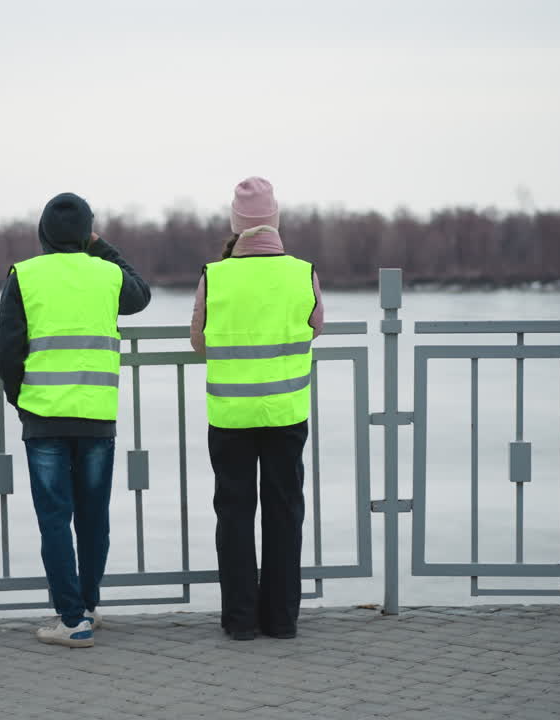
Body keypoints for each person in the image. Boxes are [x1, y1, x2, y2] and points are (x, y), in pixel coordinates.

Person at [0, 192, 151, 648]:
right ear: (87, 232)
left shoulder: (25, 274)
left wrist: (18, 398)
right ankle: (88, 606)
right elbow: (140, 295)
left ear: (43, 233)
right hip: (97, 415)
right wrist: (102, 247)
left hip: (43, 414)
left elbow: (7, 347)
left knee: (55, 519)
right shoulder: (107, 275)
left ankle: (71, 618)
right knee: (93, 516)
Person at [190, 177, 323, 640]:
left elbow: (198, 342)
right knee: (284, 512)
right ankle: (282, 620)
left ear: (236, 223)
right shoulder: (303, 272)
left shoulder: (216, 273)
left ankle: (241, 621)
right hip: (286, 411)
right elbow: (315, 326)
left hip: (230, 415)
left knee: (234, 513)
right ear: (275, 221)